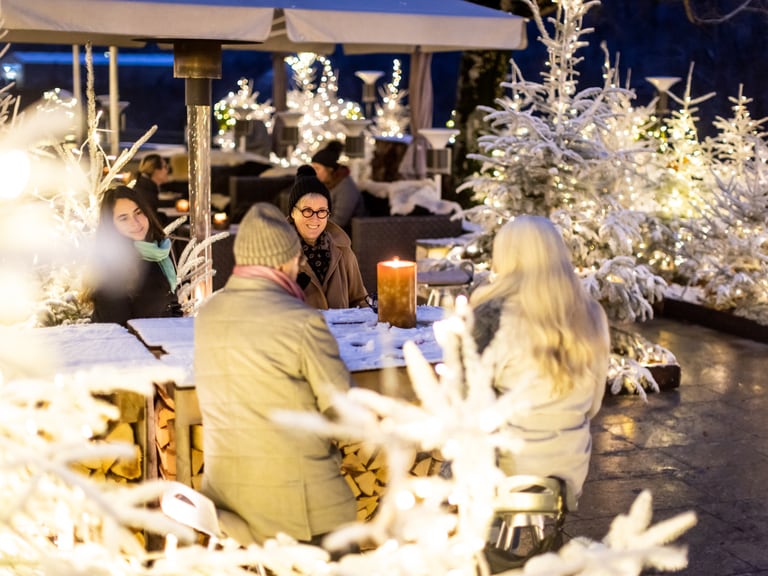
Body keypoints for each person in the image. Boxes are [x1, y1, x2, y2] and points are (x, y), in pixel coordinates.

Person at [194, 202, 356, 546]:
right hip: (297, 508)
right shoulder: (301, 321)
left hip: (224, 502)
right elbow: (345, 409)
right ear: (284, 259)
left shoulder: (209, 313)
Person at [469, 215, 610, 500]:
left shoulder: (494, 315)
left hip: (505, 469)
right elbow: (594, 404)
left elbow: (465, 398)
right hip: (569, 470)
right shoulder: (592, 313)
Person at [88, 185, 180, 326]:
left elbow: (172, 304)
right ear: (112, 226)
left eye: (138, 213)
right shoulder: (112, 266)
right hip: (133, 345)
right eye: (123, 218)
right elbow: (117, 328)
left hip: (161, 341)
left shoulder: (158, 252)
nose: (135, 222)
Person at [288, 164, 368, 309]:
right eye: (307, 210)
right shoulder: (277, 254)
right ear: (293, 213)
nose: (315, 218)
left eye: (322, 211)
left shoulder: (343, 252)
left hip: (341, 332)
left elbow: (360, 300)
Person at [311, 140, 367, 231]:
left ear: (329, 169)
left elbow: (339, 221)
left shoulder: (346, 188)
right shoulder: (323, 183)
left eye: (317, 168)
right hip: (324, 228)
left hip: (347, 234)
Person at [131, 153, 170, 221]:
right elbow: (151, 221)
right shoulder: (146, 193)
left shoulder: (144, 188)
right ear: (155, 170)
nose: (167, 171)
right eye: (165, 167)